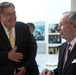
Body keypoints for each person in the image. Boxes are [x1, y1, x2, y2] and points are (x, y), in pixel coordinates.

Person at [0, 1, 38, 75]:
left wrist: (26, 67)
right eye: (8, 14)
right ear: (0, 17)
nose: (13, 17)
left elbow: (32, 49)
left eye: (14, 13)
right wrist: (7, 56)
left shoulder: (24, 28)